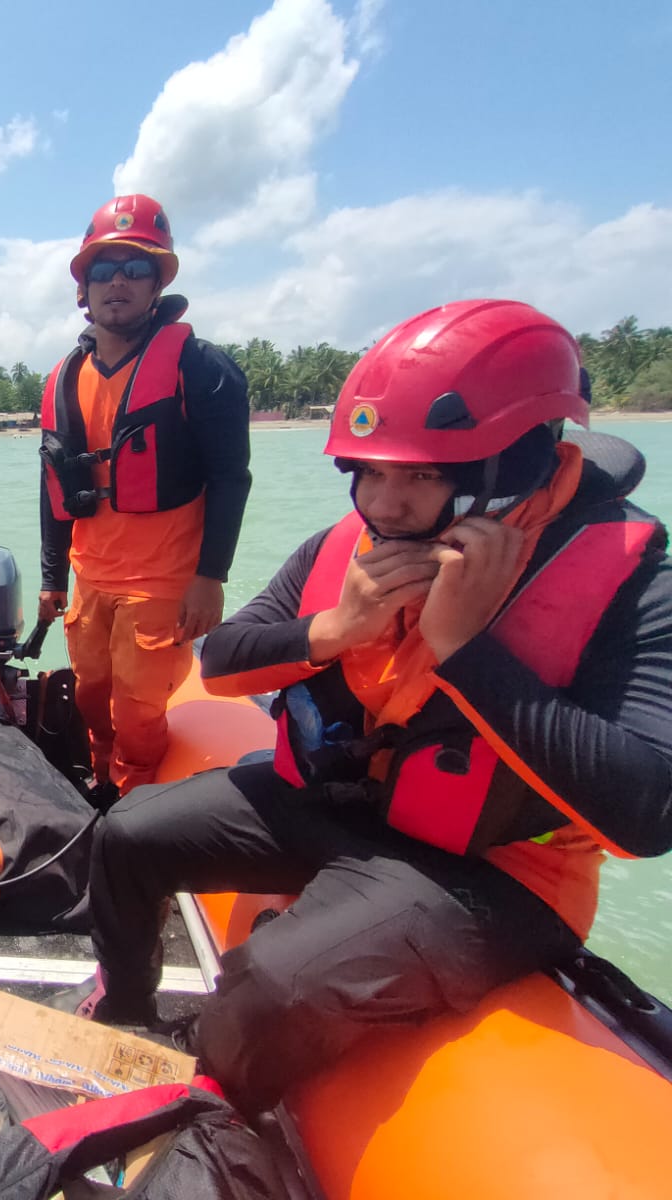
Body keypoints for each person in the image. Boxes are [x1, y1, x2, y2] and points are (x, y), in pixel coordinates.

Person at [82, 300, 672, 1113]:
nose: (385, 506)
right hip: (330, 805)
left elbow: (647, 814)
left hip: (493, 875)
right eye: (371, 471)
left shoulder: (637, 581)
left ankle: (208, 1098)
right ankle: (124, 1006)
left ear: (517, 465)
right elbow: (218, 661)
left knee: (273, 985)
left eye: (423, 475)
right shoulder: (342, 546)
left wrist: (466, 651)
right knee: (125, 834)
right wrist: (336, 628)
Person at [39, 193, 252, 803]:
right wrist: (53, 576)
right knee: (89, 694)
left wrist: (210, 578)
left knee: (138, 709)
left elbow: (230, 478)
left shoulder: (201, 368)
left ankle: (134, 804)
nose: (118, 282)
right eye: (103, 269)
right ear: (84, 289)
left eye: (136, 267)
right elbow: (53, 482)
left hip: (163, 579)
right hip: (91, 574)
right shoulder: (63, 378)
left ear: (159, 281)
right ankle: (102, 781)